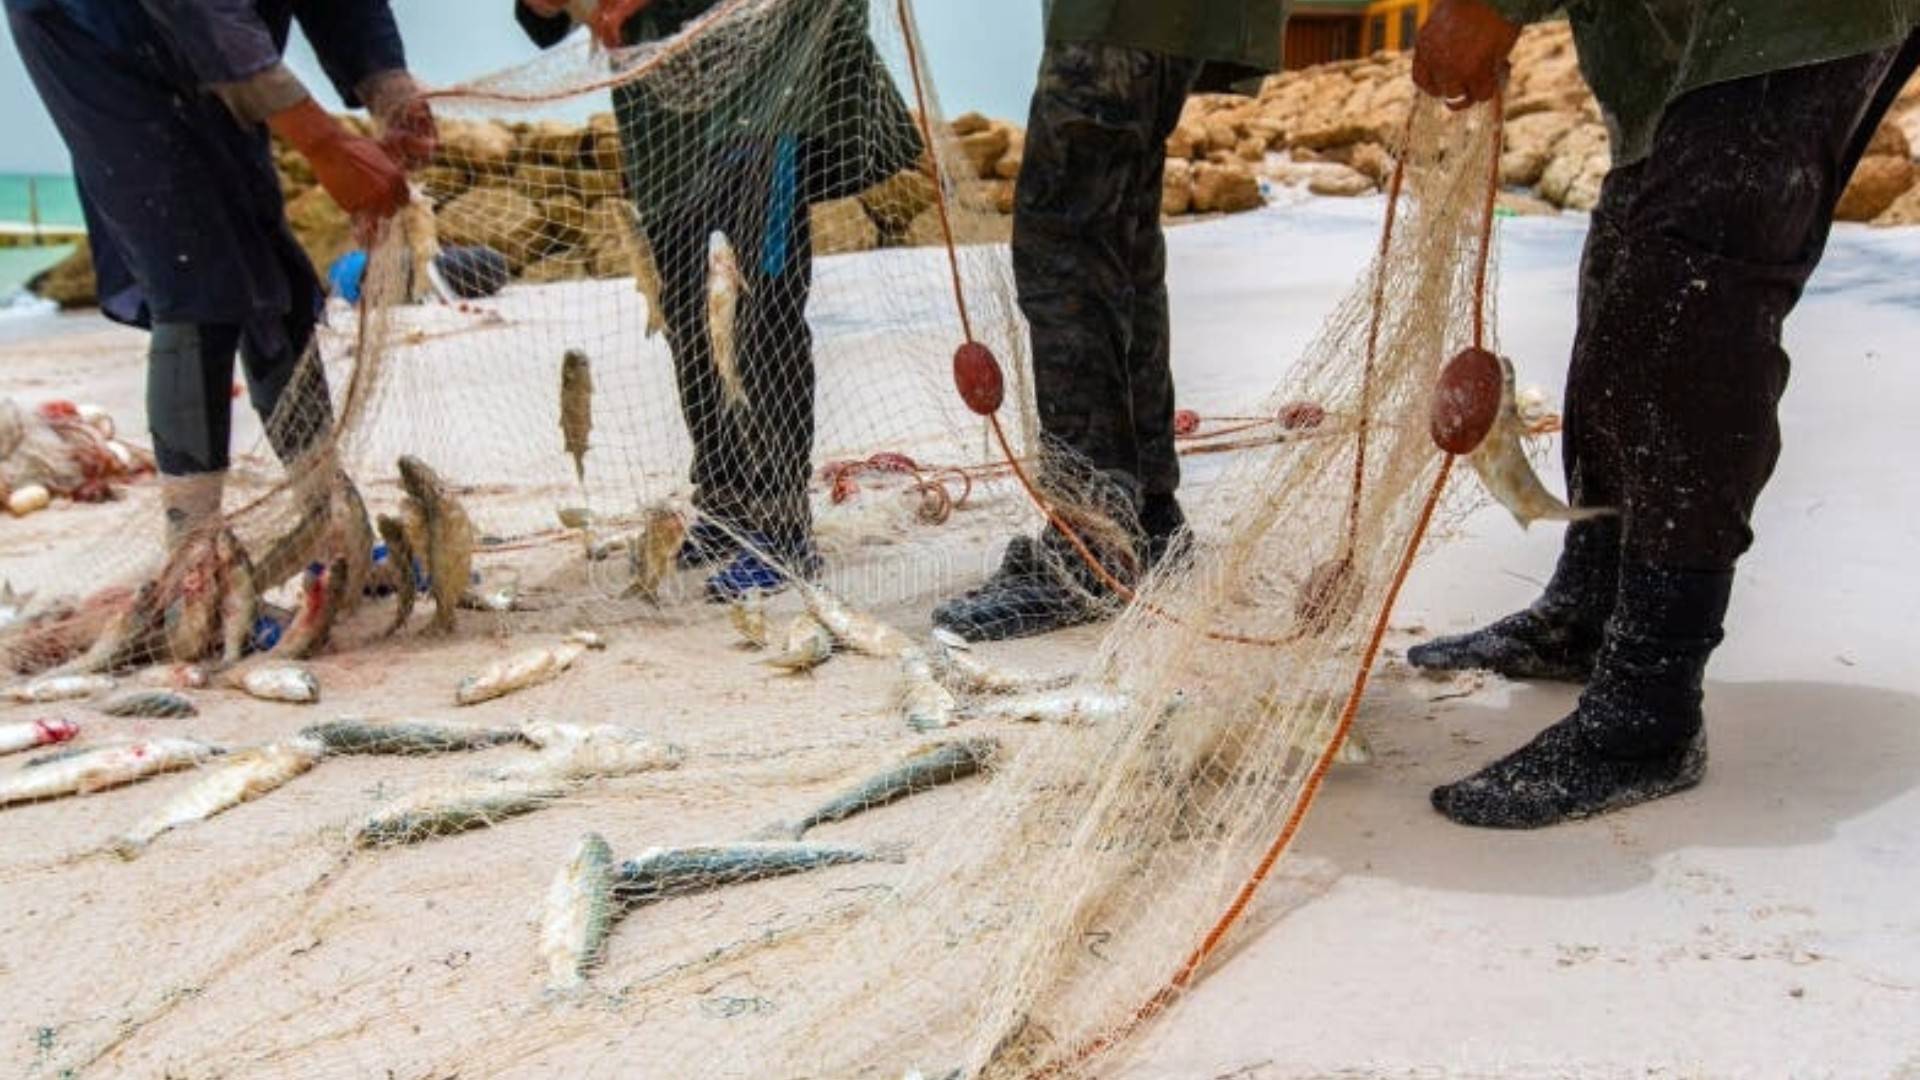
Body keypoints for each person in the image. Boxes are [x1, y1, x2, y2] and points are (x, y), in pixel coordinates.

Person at [1405, 0, 1920, 828]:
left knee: (1691, 289)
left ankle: (1651, 704)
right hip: (1671, 34)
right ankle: (1591, 604)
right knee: (1627, 262)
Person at [513, 0, 921, 601]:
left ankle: (781, 525)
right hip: (662, 120)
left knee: (762, 307)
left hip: (769, 84)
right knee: (687, 313)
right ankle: (727, 502)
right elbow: (543, 19)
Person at [6, 0, 433, 551]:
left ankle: (327, 516)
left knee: (271, 271)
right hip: (94, 30)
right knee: (196, 272)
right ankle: (195, 558)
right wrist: (325, 143)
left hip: (212, 40)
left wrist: (386, 81)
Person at [930, 0, 1285, 642]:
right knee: (1122, 236)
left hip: (1122, 16)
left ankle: (1089, 545)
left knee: (1063, 239)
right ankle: (1150, 517)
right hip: (1154, 22)